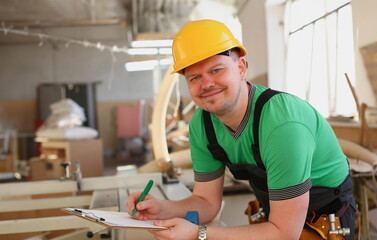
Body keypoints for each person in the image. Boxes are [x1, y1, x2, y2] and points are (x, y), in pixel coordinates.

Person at [127, 19, 356, 240]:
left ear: (241, 67)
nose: (206, 84)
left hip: (326, 212)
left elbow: (285, 234)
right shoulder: (203, 124)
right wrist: (162, 209)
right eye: (194, 77)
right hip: (279, 219)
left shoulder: (282, 125)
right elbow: (206, 203)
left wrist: (199, 234)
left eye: (216, 70)